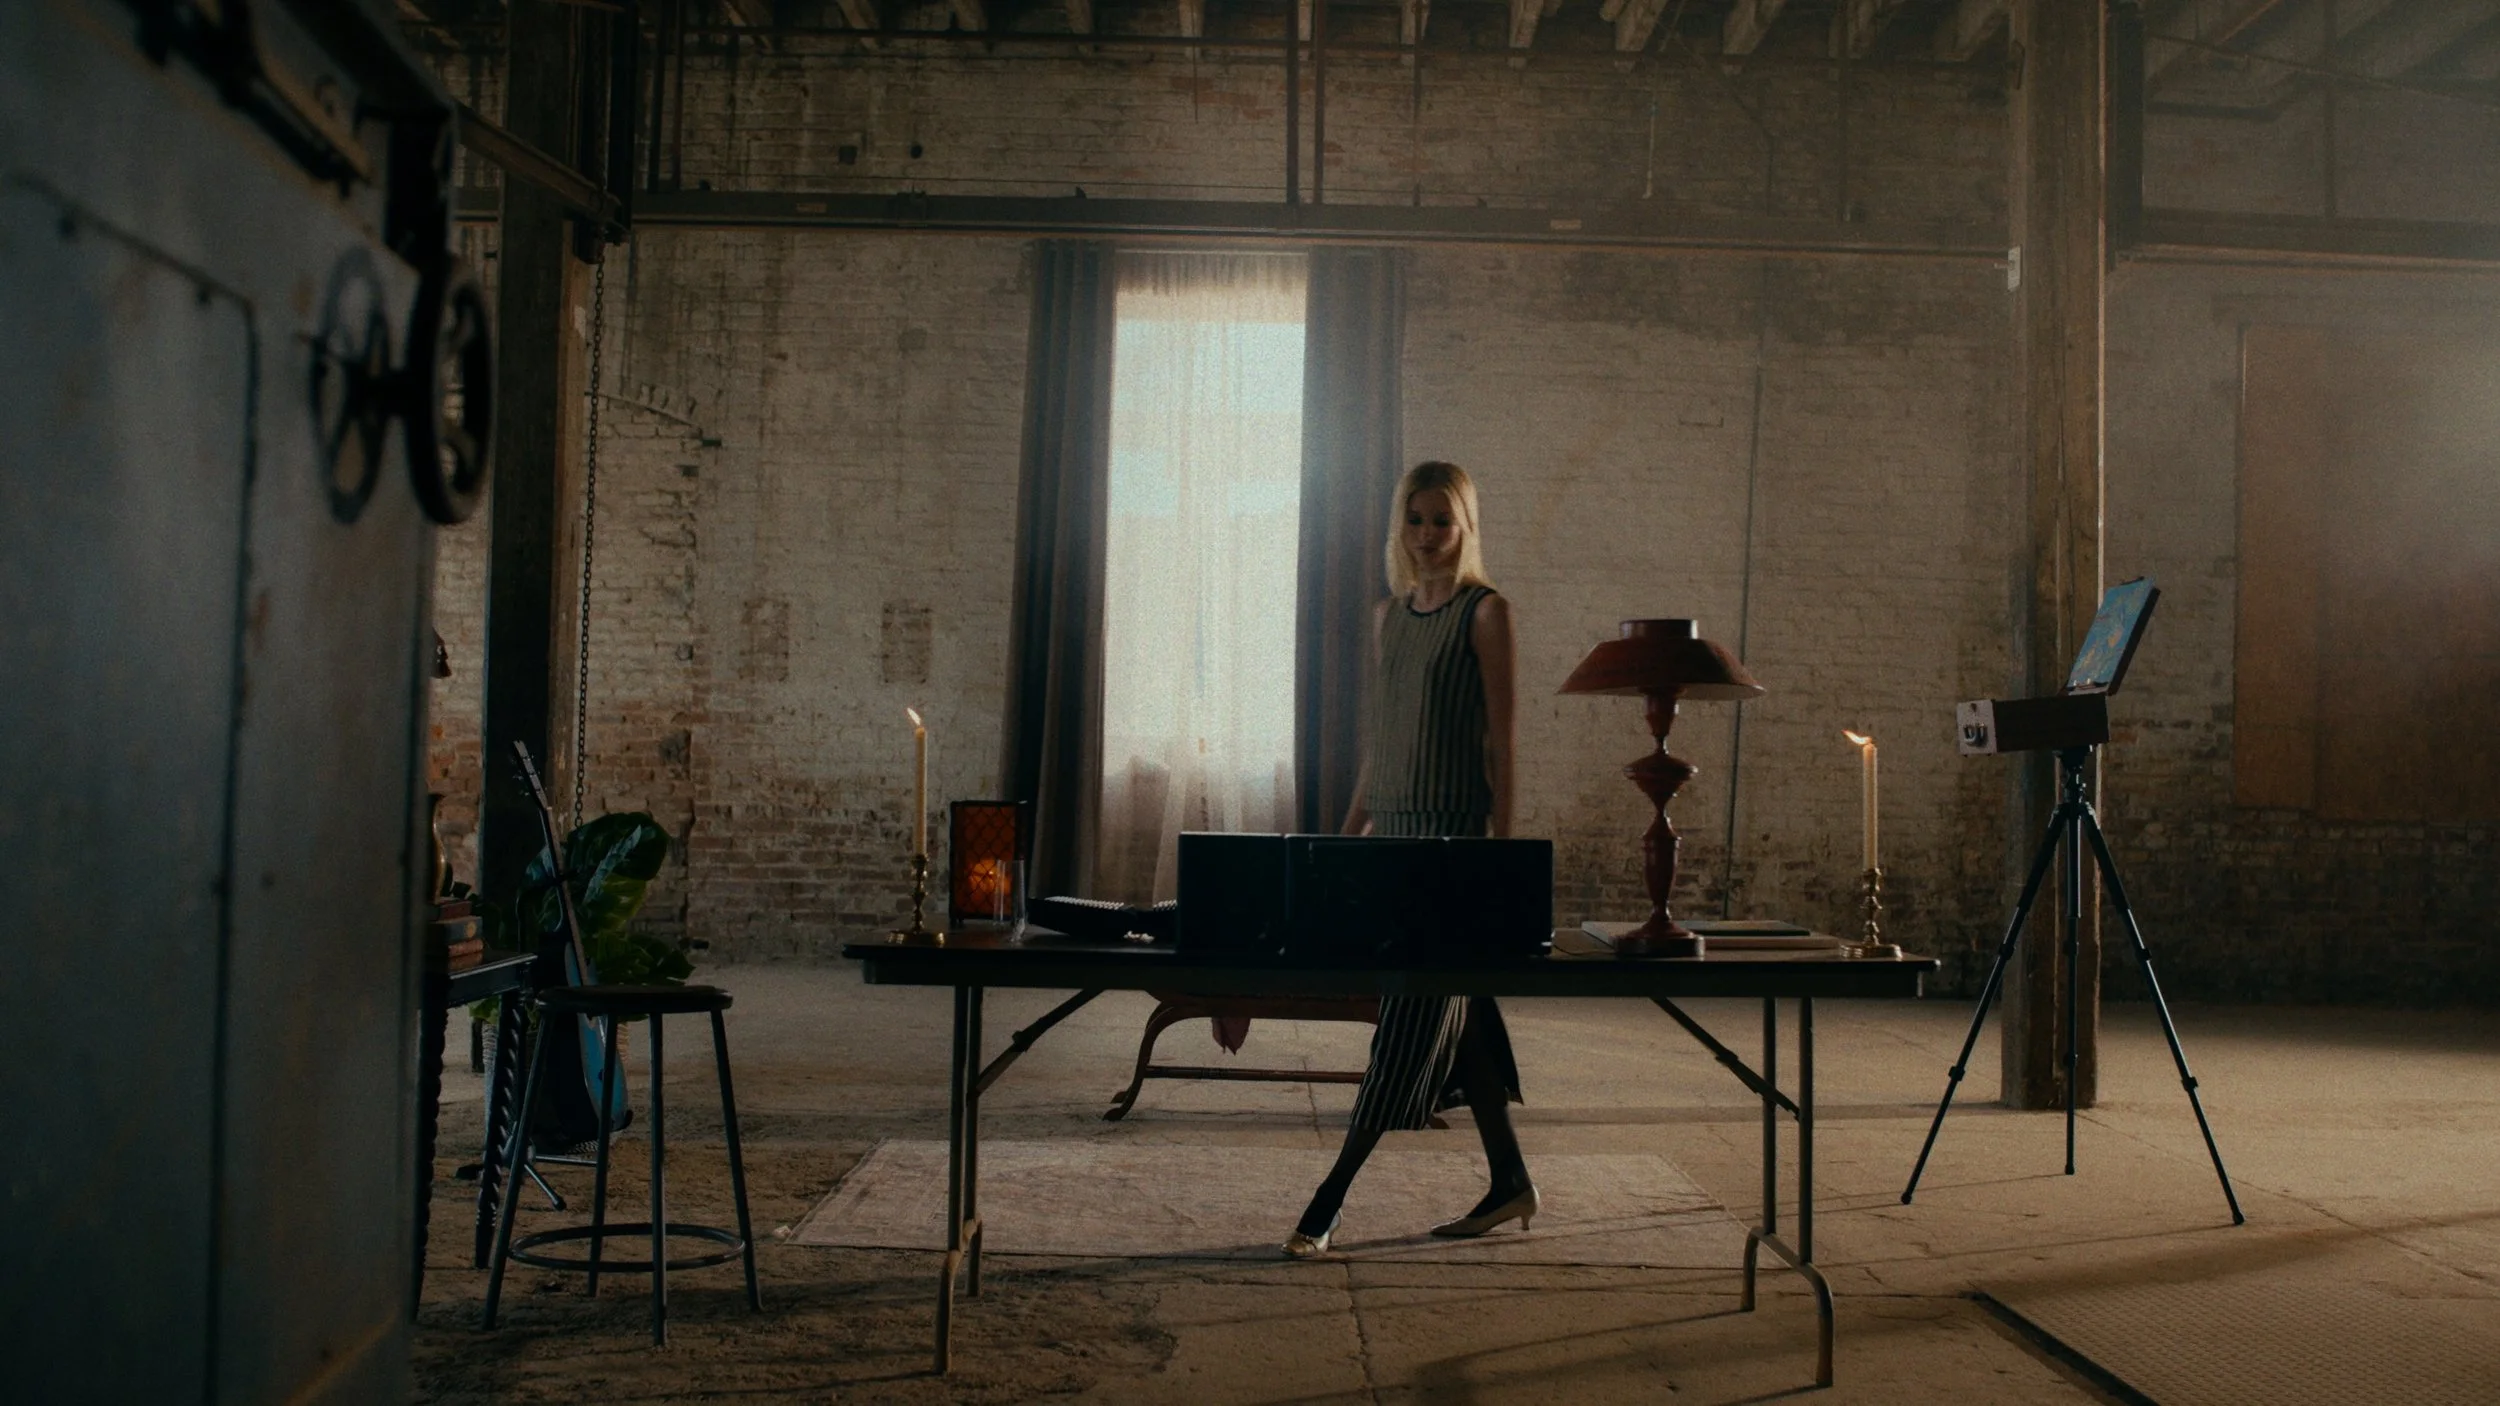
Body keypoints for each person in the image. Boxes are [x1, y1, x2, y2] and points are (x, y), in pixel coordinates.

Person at [1283, 460, 1536, 1258]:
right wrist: (1339, 837)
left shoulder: (1486, 614)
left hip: (1452, 847)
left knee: (1408, 1022)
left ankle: (1330, 1195)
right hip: (1390, 839)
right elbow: (1382, 745)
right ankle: (1509, 1182)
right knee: (1453, 1016)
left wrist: (1499, 854)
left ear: (1465, 528)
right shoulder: (1389, 616)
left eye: (1443, 522)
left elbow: (1502, 741)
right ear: (1403, 526)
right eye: (1416, 520)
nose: (1428, 536)